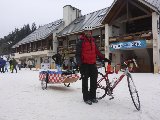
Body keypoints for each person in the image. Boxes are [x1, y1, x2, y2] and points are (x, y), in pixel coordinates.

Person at [76, 26, 110, 105]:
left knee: (93, 82)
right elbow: (77, 55)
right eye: (87, 31)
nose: (88, 33)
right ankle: (86, 98)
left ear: (91, 32)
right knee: (85, 82)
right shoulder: (80, 42)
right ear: (84, 32)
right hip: (84, 65)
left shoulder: (93, 41)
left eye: (90, 31)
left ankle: (93, 97)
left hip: (93, 64)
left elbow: (97, 52)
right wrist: (80, 64)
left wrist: (104, 58)